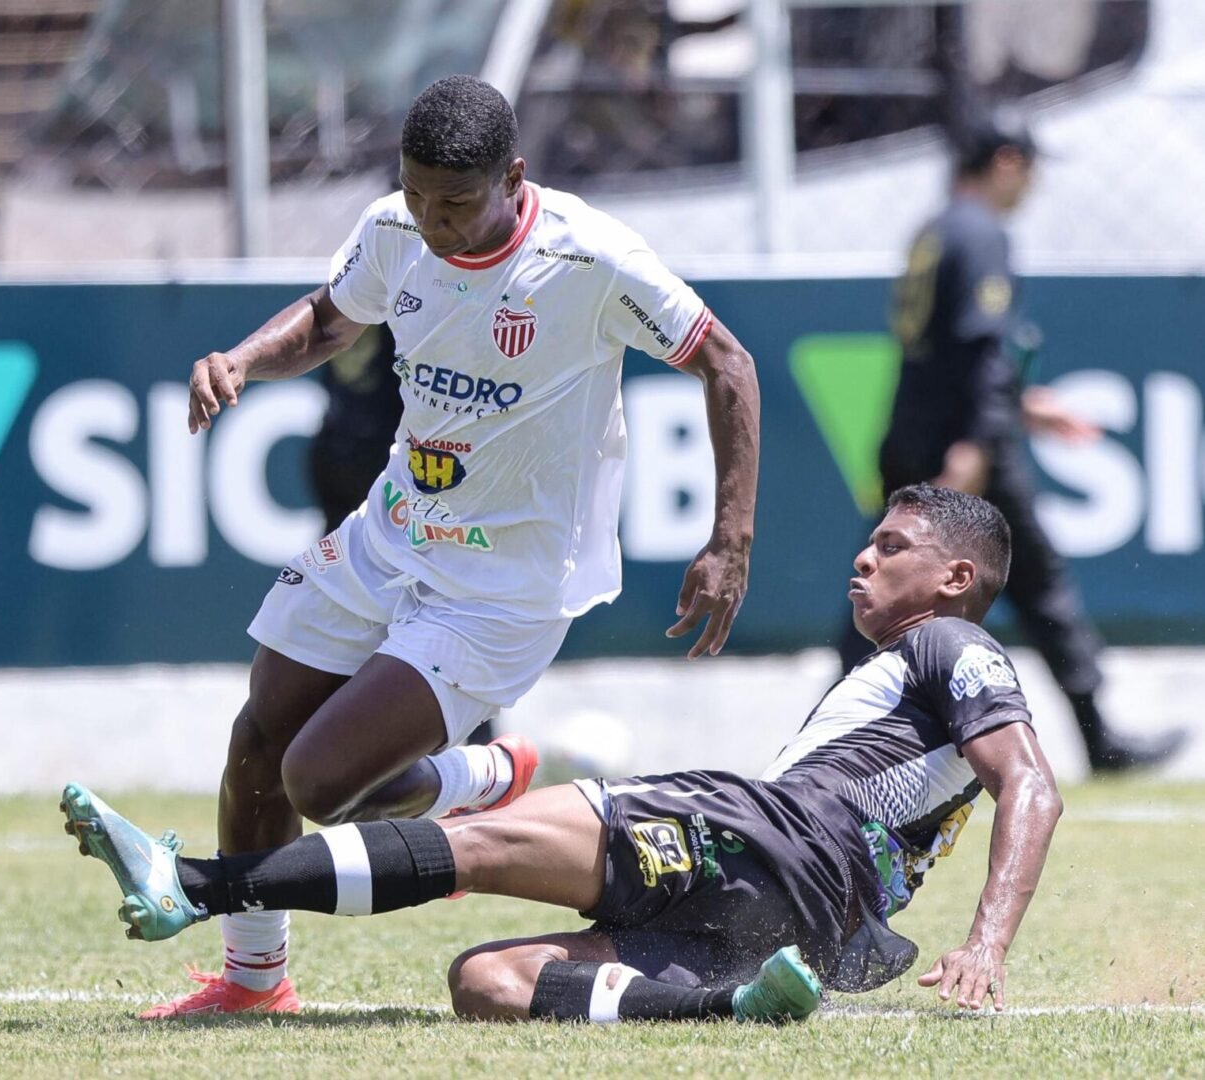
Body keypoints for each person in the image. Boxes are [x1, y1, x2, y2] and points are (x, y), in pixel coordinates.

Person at [149, 74, 761, 1017]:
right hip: (392, 532)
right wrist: (242, 359)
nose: (433, 222)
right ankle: (252, 982)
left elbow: (727, 362)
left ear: (515, 178)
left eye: (457, 203)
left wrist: (729, 537)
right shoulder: (393, 227)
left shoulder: (590, 258)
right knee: (257, 737)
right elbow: (330, 316)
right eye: (418, 195)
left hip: (504, 587)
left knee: (320, 781)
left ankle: (474, 776)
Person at [63, 484, 1061, 1023]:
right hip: (789, 923)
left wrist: (985, 944)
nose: (862, 555)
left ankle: (195, 883)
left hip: (770, 841)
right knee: (485, 983)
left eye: (890, 546)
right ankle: (730, 1004)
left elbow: (1030, 785)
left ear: (953, 576)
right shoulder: (914, 674)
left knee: (482, 843)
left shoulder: (948, 643)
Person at [837, 107, 1185, 773]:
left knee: (889, 585)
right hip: (964, 450)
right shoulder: (980, 235)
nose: (1031, 186)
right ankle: (1099, 738)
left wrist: (1025, 406)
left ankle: (829, 733)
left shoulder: (934, 232)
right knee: (1036, 583)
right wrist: (974, 445)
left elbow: (945, 355)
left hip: (912, 434)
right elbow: (979, 350)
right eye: (1028, 170)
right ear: (1004, 163)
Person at [307, 325, 496, 749]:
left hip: (407, 488)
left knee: (437, 618)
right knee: (344, 620)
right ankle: (346, 747)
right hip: (348, 475)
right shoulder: (367, 285)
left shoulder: (425, 296)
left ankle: (473, 753)